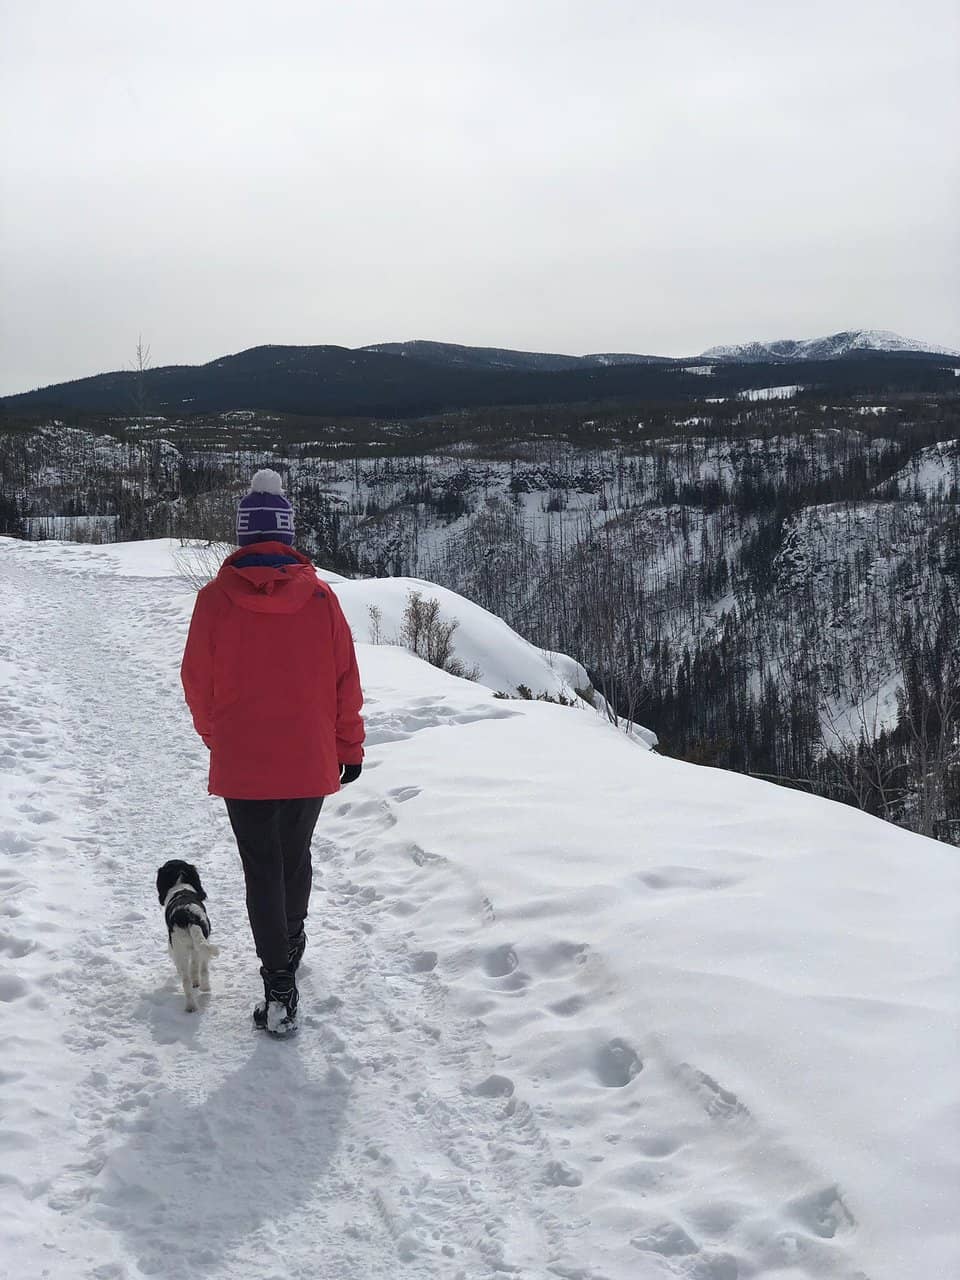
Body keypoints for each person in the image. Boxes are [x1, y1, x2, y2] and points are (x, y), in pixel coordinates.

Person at [180, 469, 364, 1034]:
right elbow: (344, 680)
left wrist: (219, 736)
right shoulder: (321, 599)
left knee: (262, 868)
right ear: (286, 534)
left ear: (242, 537)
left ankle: (278, 983)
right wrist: (348, 746)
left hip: (244, 761)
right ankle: (293, 939)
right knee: (295, 856)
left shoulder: (215, 601)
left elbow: (197, 680)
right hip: (308, 757)